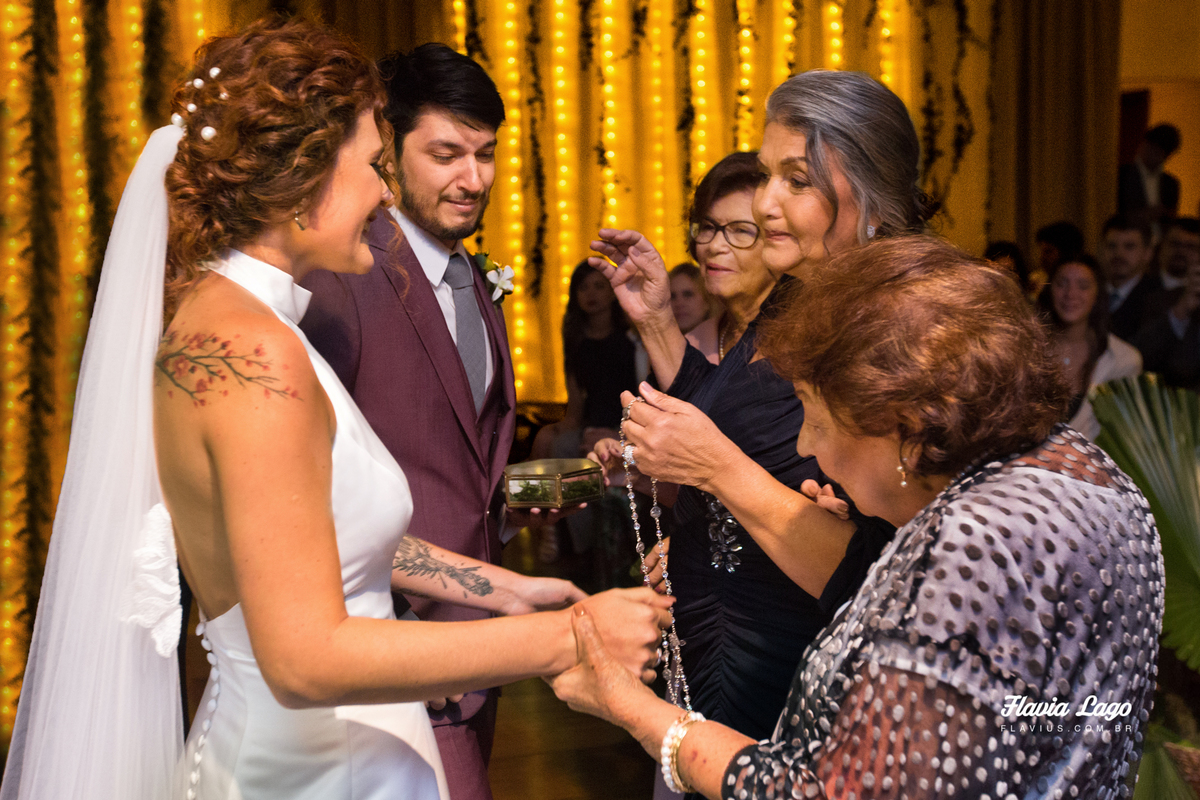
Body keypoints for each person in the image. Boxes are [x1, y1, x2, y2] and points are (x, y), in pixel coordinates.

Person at [0, 20, 670, 800]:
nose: (385, 193)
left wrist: (502, 588)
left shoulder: (240, 324)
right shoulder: (255, 354)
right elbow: (304, 659)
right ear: (304, 179)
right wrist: (570, 636)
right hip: (317, 770)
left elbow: (310, 539)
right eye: (373, 166)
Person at [552, 235, 1162, 800]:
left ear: (900, 425)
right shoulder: (1087, 471)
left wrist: (639, 713)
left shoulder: (969, 544)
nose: (807, 445)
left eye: (814, 417)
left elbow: (835, 790)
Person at [588, 73, 928, 754]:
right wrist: (657, 322)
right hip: (721, 635)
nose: (767, 201)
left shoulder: (898, 328)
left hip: (794, 660)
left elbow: (892, 576)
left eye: (795, 181)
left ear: (869, 194)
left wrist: (715, 471)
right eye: (769, 174)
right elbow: (738, 417)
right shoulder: (795, 299)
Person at [296, 43, 565, 798]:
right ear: (388, 151)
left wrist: (510, 505)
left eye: (486, 154)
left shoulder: (474, 278)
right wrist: (401, 628)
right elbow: (307, 488)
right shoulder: (344, 277)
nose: (472, 179)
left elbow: (453, 457)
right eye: (445, 155)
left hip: (477, 645)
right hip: (391, 652)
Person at [1037, 255, 1142, 440]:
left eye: (1083, 286)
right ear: (1050, 289)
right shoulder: (1028, 350)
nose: (1070, 294)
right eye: (1062, 284)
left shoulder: (1122, 359)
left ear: (1097, 294)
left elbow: (1128, 434)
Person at [1103, 214, 1160, 340]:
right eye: (1112, 246)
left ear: (1148, 253)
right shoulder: (1090, 291)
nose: (1118, 254)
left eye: (1129, 247)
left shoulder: (1158, 298)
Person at [1119, 122, 1182, 234]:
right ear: (1144, 145)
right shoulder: (1122, 175)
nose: (1155, 155)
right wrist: (1144, 215)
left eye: (1162, 153)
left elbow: (1170, 221)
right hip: (1127, 237)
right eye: (1153, 149)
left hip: (1159, 240)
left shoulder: (1170, 184)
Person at [669, 263, 719, 363]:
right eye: (672, 296)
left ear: (707, 300)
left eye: (688, 294)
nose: (679, 303)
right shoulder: (655, 350)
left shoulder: (723, 345)